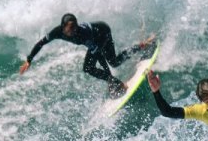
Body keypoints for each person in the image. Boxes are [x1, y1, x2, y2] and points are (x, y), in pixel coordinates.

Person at [20, 13, 153, 98]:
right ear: (63, 27)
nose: (73, 30)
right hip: (97, 35)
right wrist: (29, 60)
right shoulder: (57, 32)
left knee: (95, 66)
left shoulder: (82, 34)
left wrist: (111, 80)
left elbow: (99, 55)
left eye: (75, 26)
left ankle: (120, 80)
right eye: (70, 28)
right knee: (113, 62)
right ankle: (140, 46)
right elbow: (41, 43)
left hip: (103, 34)